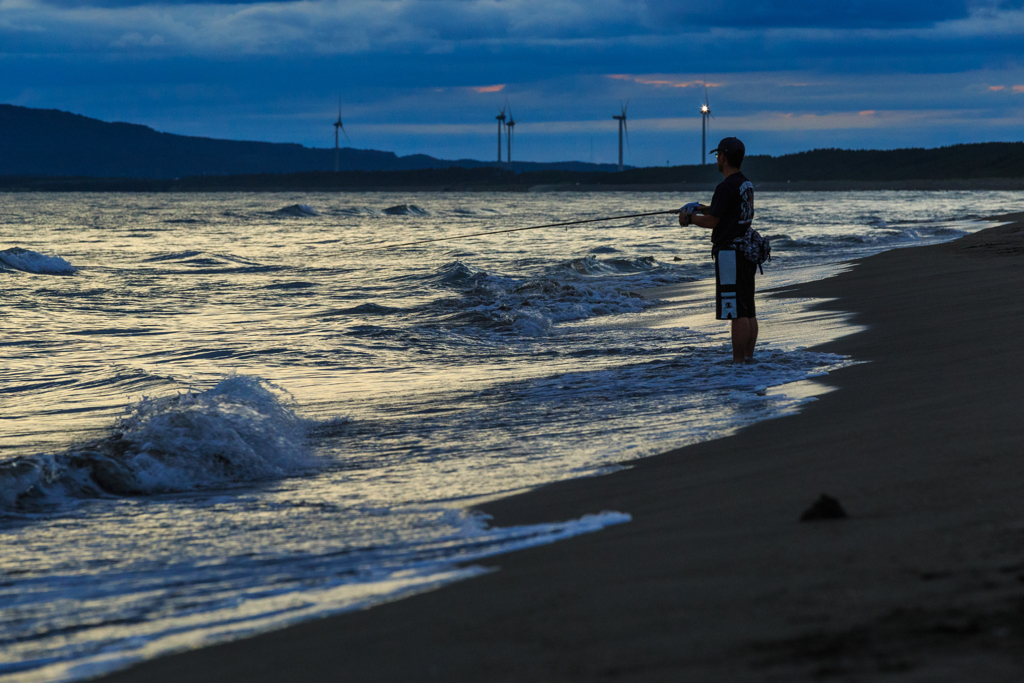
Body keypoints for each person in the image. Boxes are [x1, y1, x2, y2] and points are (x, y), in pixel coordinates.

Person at [680, 137, 757, 364]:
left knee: (737, 311)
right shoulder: (745, 183)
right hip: (746, 251)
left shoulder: (725, 186)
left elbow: (713, 221)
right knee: (748, 308)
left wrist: (689, 218)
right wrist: (700, 208)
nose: (717, 159)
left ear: (723, 157)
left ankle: (738, 362)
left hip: (730, 254)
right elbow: (726, 212)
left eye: (717, 156)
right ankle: (749, 360)